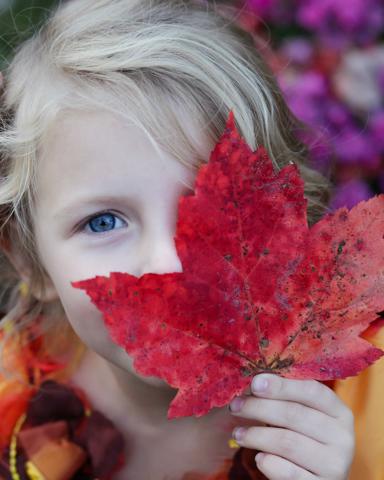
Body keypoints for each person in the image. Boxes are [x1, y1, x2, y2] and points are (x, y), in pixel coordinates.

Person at [0, 0, 361, 478]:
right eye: (103, 222)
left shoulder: (364, 404)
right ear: (30, 261)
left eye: (213, 207)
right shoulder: (11, 403)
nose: (169, 264)